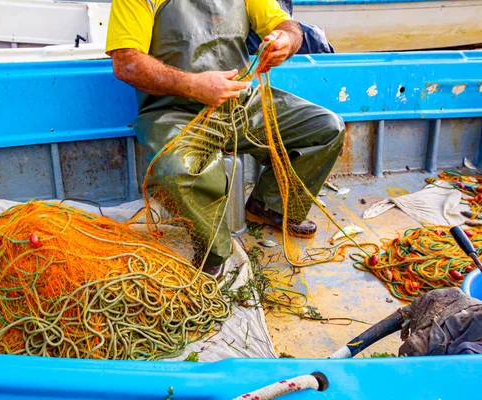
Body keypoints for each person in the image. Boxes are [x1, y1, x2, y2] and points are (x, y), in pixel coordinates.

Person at [106, 0, 345, 279]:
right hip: (174, 110)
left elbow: (287, 26)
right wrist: (193, 85)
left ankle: (268, 205)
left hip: (240, 102)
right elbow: (126, 62)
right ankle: (214, 250)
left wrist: (286, 41)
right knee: (174, 169)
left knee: (326, 128)